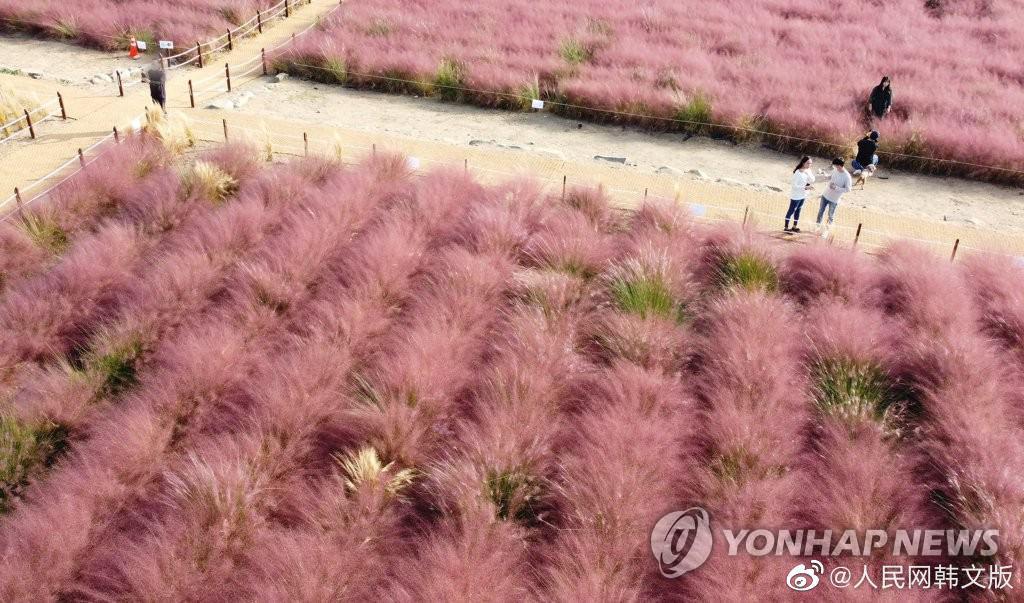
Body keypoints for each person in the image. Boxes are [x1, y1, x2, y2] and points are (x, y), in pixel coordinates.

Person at [815, 158, 853, 233]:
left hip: (834, 199)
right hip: (825, 195)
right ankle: (817, 227)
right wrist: (825, 175)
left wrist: (836, 188)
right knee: (820, 212)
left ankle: (827, 230)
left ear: (839, 165)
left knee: (830, 216)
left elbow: (848, 189)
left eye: (835, 166)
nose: (834, 167)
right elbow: (831, 177)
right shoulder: (835, 170)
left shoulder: (847, 176)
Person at [784, 156, 815, 232]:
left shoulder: (808, 171)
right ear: (803, 163)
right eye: (808, 163)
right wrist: (805, 187)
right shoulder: (797, 173)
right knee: (791, 211)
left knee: (798, 211)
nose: (809, 165)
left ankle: (794, 226)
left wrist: (808, 172)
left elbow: (812, 180)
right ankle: (786, 227)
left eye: (810, 163)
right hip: (796, 196)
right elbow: (794, 186)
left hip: (803, 195)